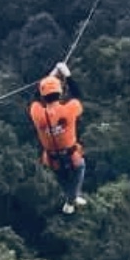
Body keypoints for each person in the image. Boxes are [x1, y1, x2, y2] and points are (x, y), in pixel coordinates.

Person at [28, 61, 87, 214]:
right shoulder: (69, 109)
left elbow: (35, 97)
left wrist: (53, 75)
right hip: (71, 154)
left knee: (62, 177)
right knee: (80, 168)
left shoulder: (38, 114)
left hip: (52, 158)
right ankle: (71, 199)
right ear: (60, 93)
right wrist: (67, 75)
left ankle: (71, 197)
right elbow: (78, 95)